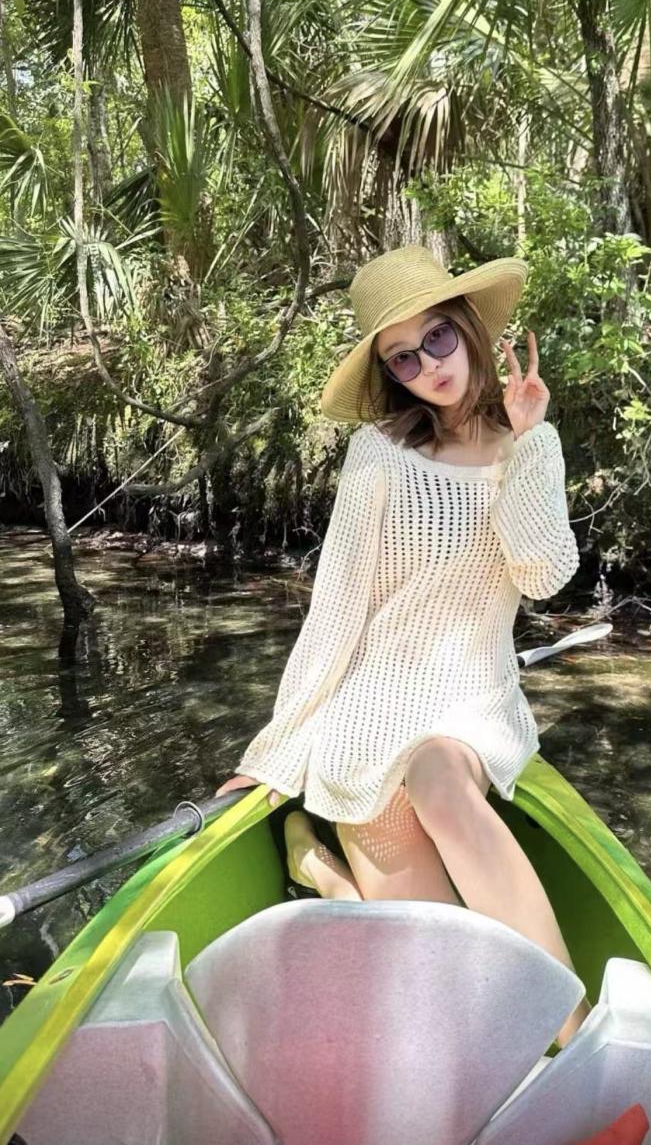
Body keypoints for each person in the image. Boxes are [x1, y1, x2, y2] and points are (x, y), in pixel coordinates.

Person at [216, 244, 590, 1045]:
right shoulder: (378, 455)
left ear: (468, 328)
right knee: (435, 974)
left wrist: (527, 440)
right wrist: (276, 750)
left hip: (471, 701)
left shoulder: (533, 444)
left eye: (438, 338)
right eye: (403, 357)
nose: (428, 365)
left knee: (438, 781)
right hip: (370, 714)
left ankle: (577, 1034)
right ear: (390, 372)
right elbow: (338, 609)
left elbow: (543, 577)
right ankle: (318, 867)